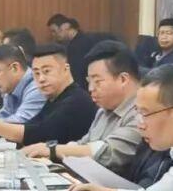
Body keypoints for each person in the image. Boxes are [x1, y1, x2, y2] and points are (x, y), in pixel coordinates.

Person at [23, 41, 142, 176]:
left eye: (97, 81)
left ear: (123, 79)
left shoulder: (141, 112)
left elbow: (108, 153)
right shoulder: (104, 110)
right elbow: (84, 143)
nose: (91, 88)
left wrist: (51, 150)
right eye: (89, 82)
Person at [0, 44, 96, 145]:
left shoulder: (76, 101)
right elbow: (31, 125)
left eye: (47, 71)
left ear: (66, 69)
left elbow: (39, 134)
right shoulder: (54, 99)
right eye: (36, 73)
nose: (41, 79)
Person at [0, 43, 45, 123]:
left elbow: (20, 122)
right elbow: (4, 115)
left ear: (15, 68)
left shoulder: (37, 88)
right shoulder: (11, 88)